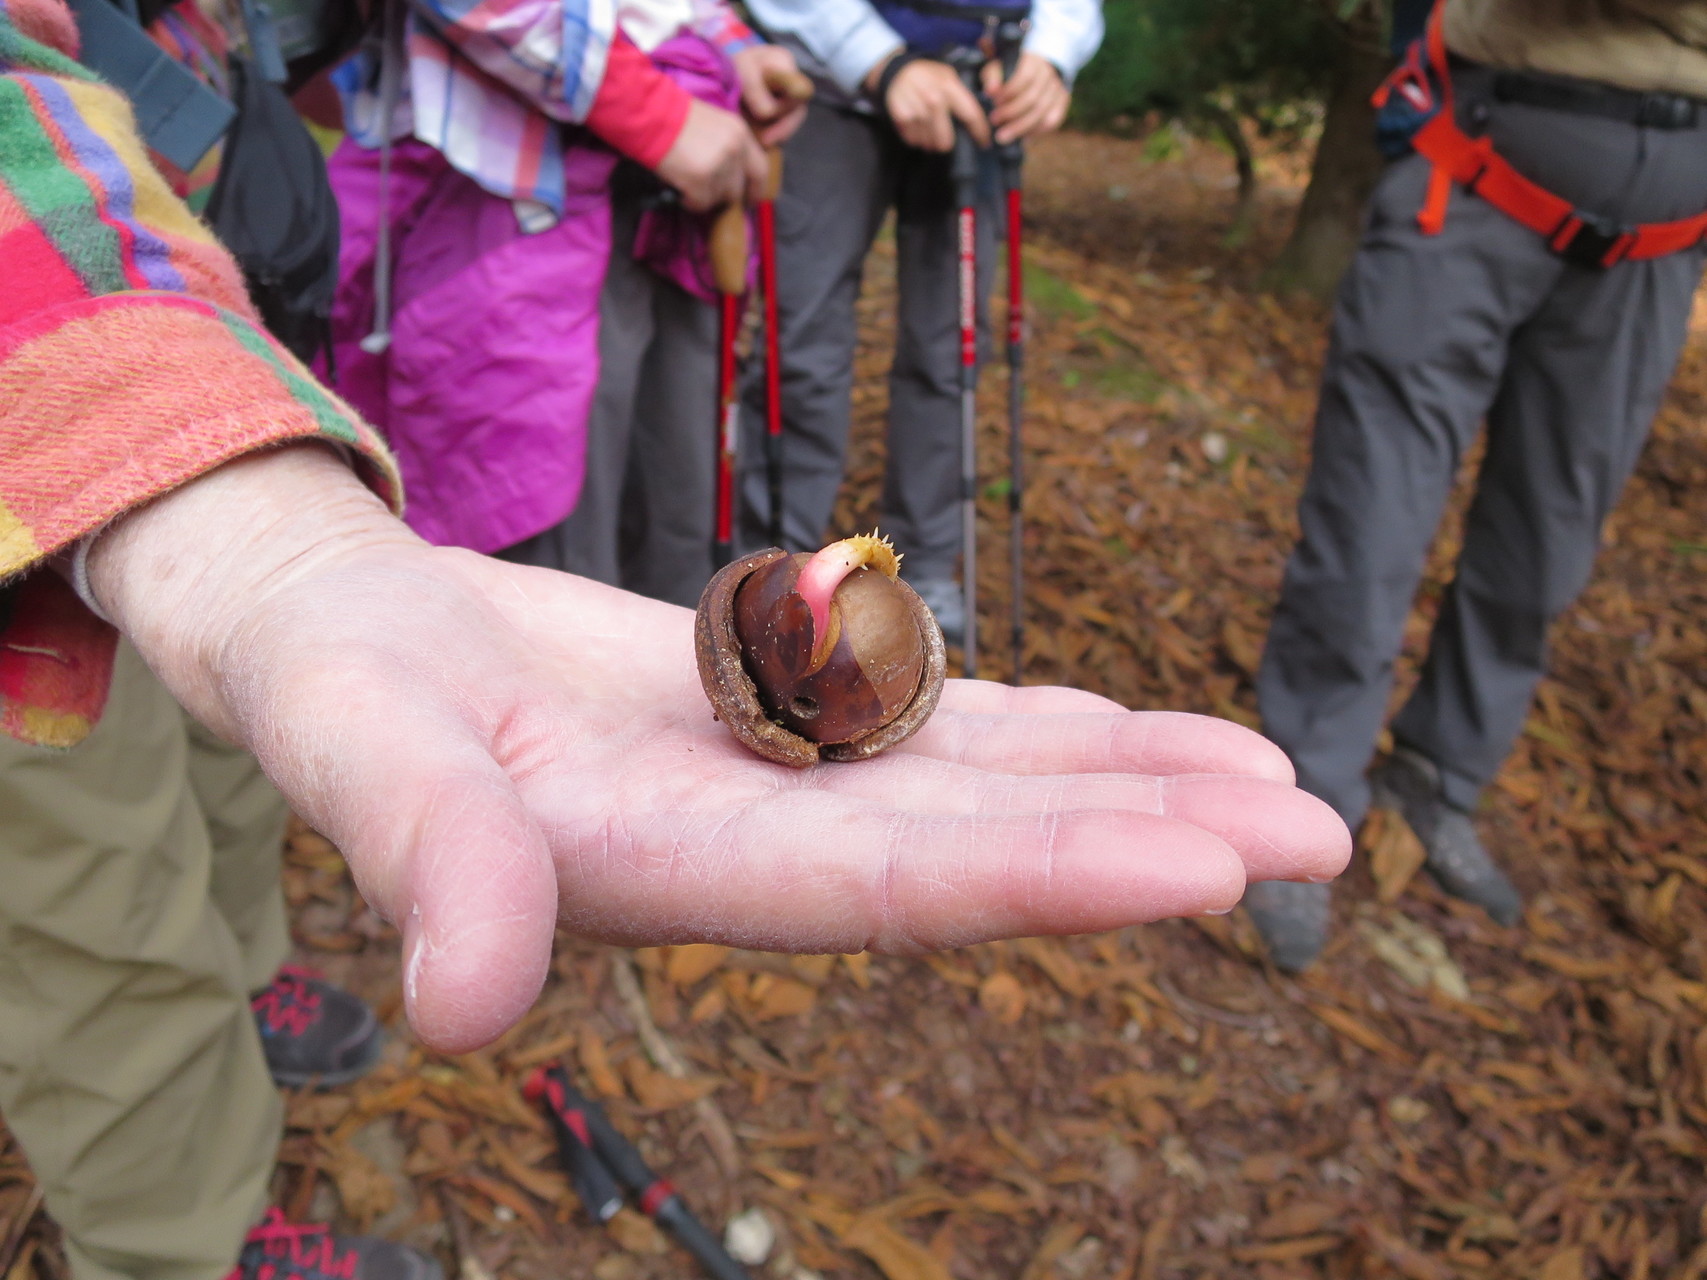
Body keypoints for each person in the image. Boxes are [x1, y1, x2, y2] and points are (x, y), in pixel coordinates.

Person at [3, 0, 1349, 1274]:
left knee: (225, 742)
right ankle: (176, 1237)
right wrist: (184, 466)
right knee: (98, 868)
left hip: (189, 264)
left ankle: (251, 981)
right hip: (61, 404)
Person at [1242, 0, 1707, 971]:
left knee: (1548, 540)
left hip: (1660, 236)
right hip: (1474, 174)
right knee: (1372, 518)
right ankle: (1303, 797)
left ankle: (1439, 777)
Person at [326, 0, 806, 607]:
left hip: (671, 197)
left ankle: (694, 693)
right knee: (555, 560)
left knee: (678, 512)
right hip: (508, 203)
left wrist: (732, 46)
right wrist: (656, 114)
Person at [732, 0, 1104, 642]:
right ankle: (772, 570)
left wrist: (1053, 53)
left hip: (984, 94)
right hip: (827, 90)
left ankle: (922, 568)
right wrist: (879, 60)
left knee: (950, 346)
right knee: (803, 340)